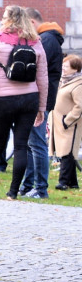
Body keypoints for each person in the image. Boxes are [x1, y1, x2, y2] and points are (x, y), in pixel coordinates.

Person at [0, 5, 49, 199]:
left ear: (8, 19)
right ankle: (13, 192)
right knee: (21, 146)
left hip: (3, 99)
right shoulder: (36, 42)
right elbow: (43, 77)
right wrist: (42, 107)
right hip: (29, 99)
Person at [19, 8, 63, 198]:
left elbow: (35, 67)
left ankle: (41, 188)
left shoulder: (46, 40)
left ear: (32, 22)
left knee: (36, 143)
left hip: (40, 98)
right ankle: (29, 185)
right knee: (31, 143)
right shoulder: (48, 39)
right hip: (39, 96)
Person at [50, 54, 82, 190]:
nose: (63, 69)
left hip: (70, 124)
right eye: (63, 66)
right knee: (64, 151)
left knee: (67, 152)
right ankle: (73, 183)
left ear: (75, 69)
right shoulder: (64, 81)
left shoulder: (78, 84)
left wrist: (67, 120)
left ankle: (63, 182)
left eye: (66, 67)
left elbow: (79, 106)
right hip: (59, 123)